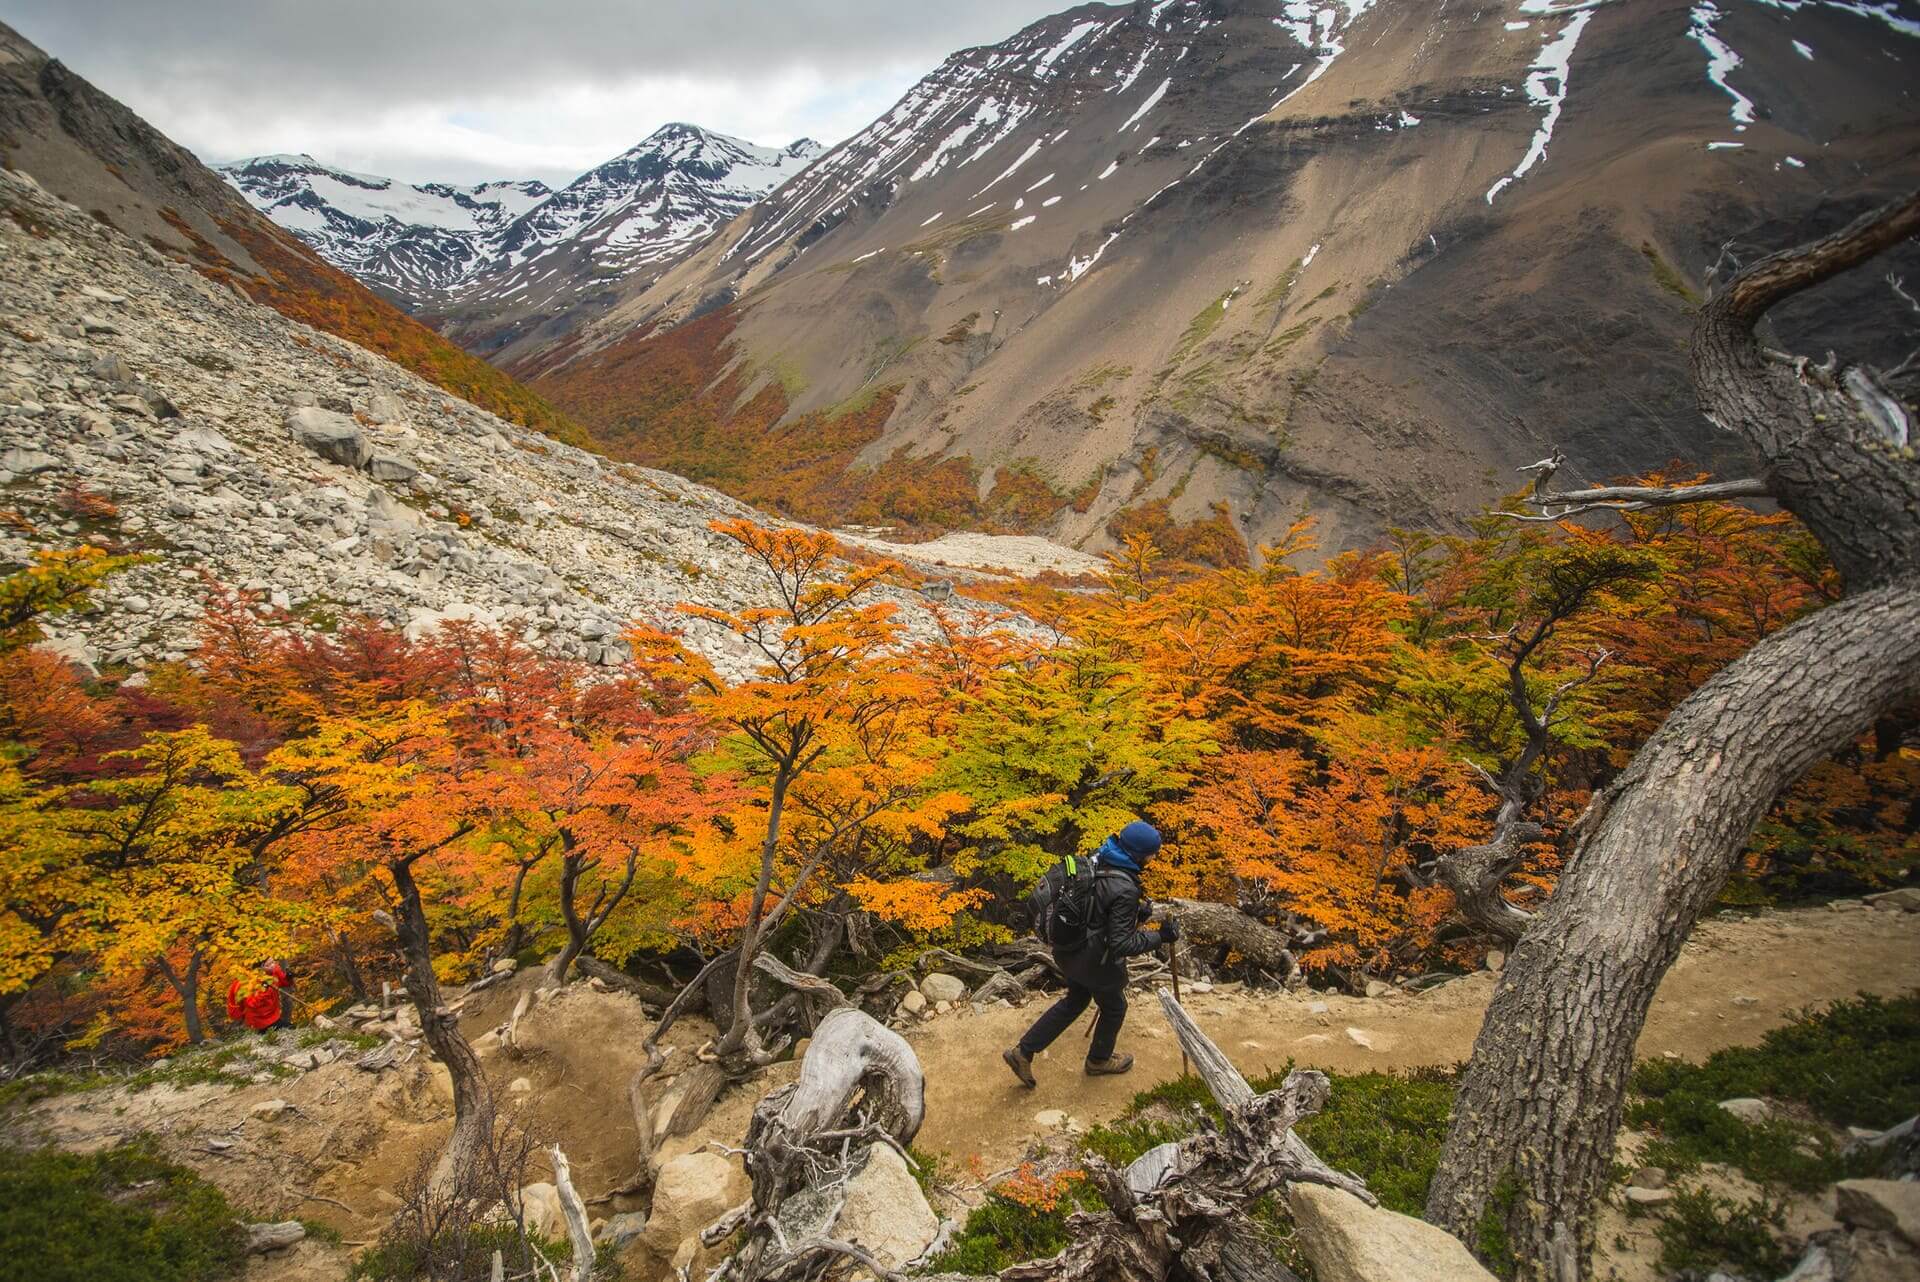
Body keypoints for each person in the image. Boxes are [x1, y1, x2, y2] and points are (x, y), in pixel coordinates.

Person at [1003, 821, 1177, 1084]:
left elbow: (1097, 912)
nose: (1153, 859)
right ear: (1139, 854)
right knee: (1115, 1007)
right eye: (1152, 854)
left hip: (1068, 950)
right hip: (1095, 961)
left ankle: (1023, 1052)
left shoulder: (1098, 859)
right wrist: (1160, 937)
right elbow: (1122, 944)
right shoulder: (1126, 887)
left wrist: (1135, 915)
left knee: (1076, 999)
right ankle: (1098, 1061)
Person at [226, 959, 293, 1033]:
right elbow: (252, 1004)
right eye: (269, 964)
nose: (273, 965)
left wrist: (289, 978)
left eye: (273, 962)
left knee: (289, 1027)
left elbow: (282, 982)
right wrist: (264, 989)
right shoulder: (250, 983)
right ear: (261, 968)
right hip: (260, 1020)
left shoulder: (273, 970)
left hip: (272, 1015)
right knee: (289, 1029)